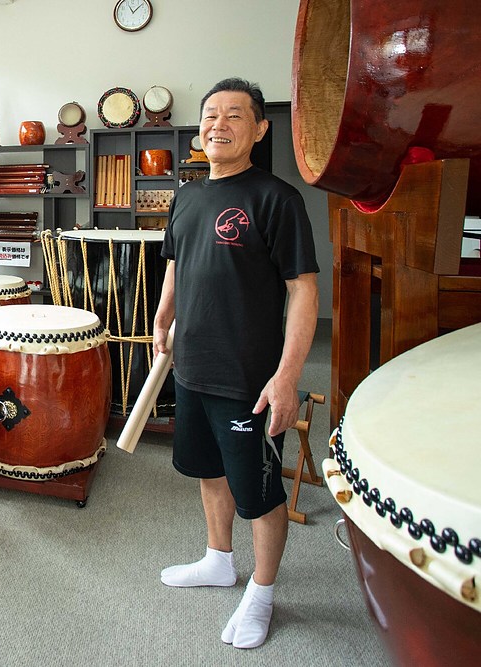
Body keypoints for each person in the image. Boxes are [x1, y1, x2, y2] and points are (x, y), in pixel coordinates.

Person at [152, 77, 320, 649]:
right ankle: (219, 559)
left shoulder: (277, 199)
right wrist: (162, 317)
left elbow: (303, 290)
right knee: (208, 468)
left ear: (259, 128)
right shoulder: (189, 194)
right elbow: (177, 263)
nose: (218, 125)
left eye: (234, 116)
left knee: (261, 491)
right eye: (210, 116)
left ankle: (264, 592)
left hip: (248, 374)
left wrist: (287, 375)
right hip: (193, 366)